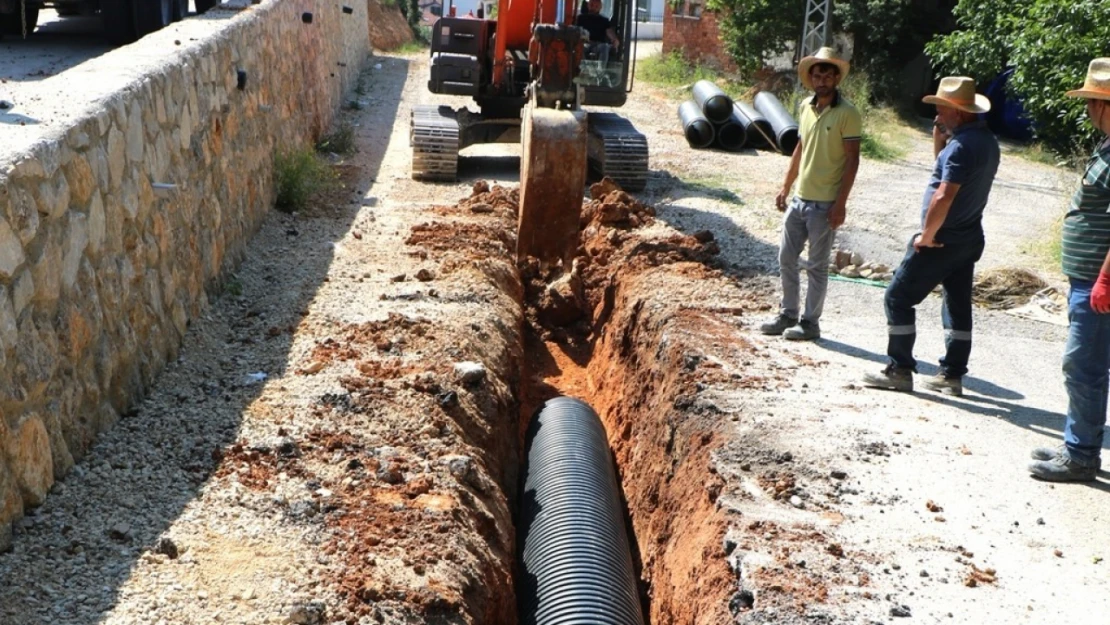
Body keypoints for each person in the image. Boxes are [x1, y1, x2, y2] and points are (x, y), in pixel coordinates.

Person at [862, 77, 999, 395]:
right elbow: (944, 171)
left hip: (942, 239)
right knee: (957, 304)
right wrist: (942, 140)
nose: (936, 115)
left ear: (959, 112)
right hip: (968, 237)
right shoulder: (986, 142)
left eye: (941, 109)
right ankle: (951, 375)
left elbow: (944, 195)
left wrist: (926, 236)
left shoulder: (962, 148)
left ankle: (900, 369)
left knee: (897, 297)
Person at [1027, 58, 1110, 482]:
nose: (1088, 110)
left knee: (1083, 366)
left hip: (1099, 285)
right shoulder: (1107, 147)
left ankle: (1080, 457)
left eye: (1093, 102)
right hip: (1089, 280)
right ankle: (1078, 442)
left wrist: (1106, 280)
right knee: (1086, 365)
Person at [759, 47, 861, 341]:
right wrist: (785, 186)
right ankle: (787, 314)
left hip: (825, 203)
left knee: (816, 266)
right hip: (800, 199)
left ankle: (810, 323)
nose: (822, 80)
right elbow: (800, 149)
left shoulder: (848, 114)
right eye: (817, 75)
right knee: (786, 258)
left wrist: (840, 204)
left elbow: (853, 160)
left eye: (828, 75)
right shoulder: (805, 107)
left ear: (836, 78)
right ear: (811, 78)